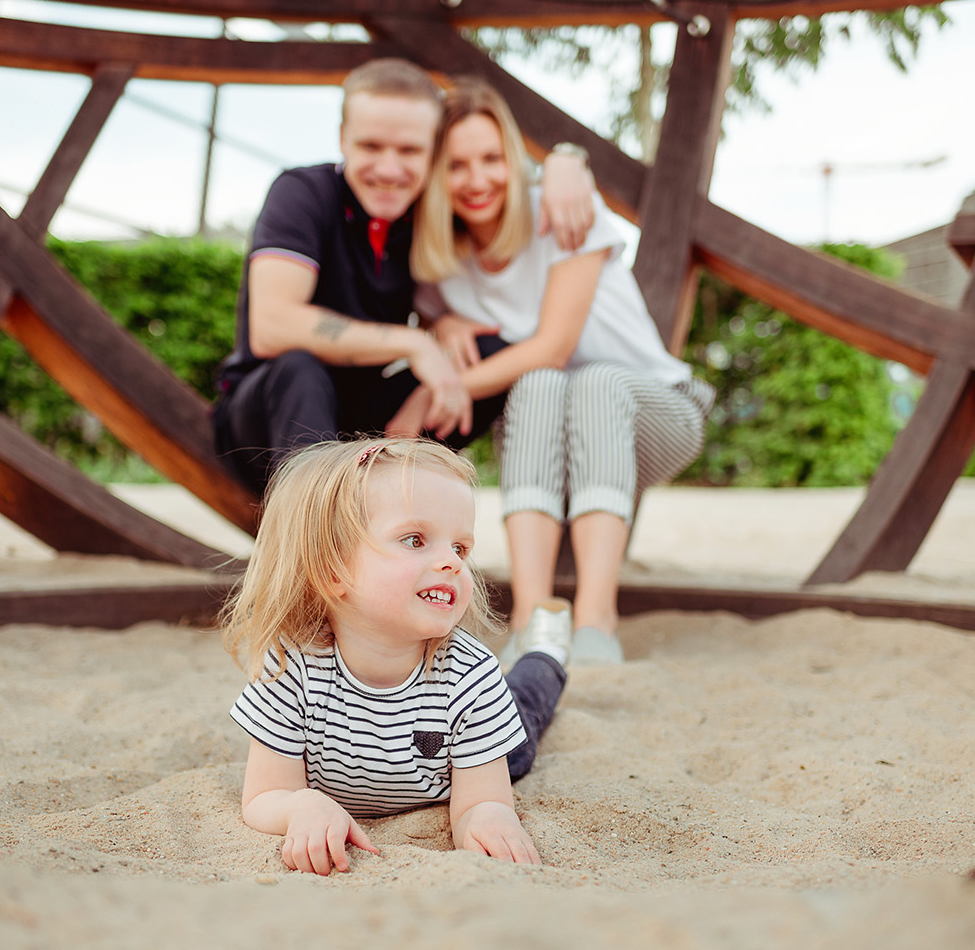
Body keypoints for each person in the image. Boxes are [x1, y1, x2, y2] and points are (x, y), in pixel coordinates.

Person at [405, 78, 714, 667]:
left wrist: (437, 390)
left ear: (515, 159)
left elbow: (552, 344)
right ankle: (532, 618)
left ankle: (598, 620)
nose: (477, 180)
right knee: (539, 385)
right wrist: (441, 326)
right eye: (457, 165)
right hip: (559, 430)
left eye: (492, 159)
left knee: (585, 377)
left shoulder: (563, 208)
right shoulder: (442, 265)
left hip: (659, 410)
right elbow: (451, 324)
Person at [211, 58, 594, 496]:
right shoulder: (302, 193)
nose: (390, 170)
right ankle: (314, 537)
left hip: (364, 416)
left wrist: (568, 161)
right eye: (371, 146)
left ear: (433, 150)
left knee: (484, 352)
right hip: (266, 418)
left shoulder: (427, 215)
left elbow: (501, 193)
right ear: (342, 139)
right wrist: (412, 341)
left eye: (409, 151)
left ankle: (401, 503)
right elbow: (272, 327)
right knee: (301, 367)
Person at [222, 437, 572, 875]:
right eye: (415, 539)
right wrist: (300, 807)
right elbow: (262, 797)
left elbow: (478, 802)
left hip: (469, 760)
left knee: (527, 708)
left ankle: (546, 652)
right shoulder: (291, 666)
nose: (452, 563)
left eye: (461, 548)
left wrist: (486, 815)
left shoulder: (471, 673)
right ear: (333, 571)